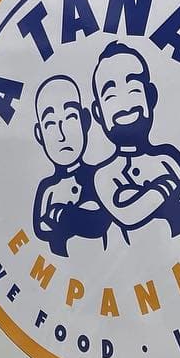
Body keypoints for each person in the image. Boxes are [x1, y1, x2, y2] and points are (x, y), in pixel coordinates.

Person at [89, 41, 180, 240]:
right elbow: (127, 215)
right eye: (111, 95)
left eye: (134, 90)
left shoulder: (166, 156)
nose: (125, 104)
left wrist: (137, 196)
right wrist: (164, 188)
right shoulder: (103, 174)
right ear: (98, 112)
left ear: (151, 97)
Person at [30, 75, 111, 256]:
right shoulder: (47, 188)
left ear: (85, 121)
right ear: (39, 134)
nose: (61, 134)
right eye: (50, 123)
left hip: (105, 262)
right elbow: (41, 228)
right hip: (62, 266)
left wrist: (68, 217)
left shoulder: (97, 175)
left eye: (70, 117)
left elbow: (102, 220)